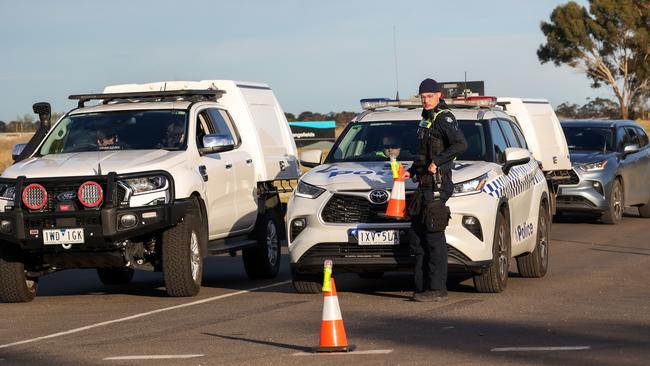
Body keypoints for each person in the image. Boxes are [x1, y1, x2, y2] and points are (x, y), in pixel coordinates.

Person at [403, 78, 468, 302]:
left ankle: (437, 289)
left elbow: (460, 144)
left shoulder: (444, 118)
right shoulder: (425, 119)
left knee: (433, 237)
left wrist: (438, 162)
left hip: (438, 184)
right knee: (417, 237)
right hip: (423, 184)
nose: (426, 100)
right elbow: (423, 152)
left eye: (429, 96)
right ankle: (423, 287)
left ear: (439, 95)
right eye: (422, 97)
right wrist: (411, 171)